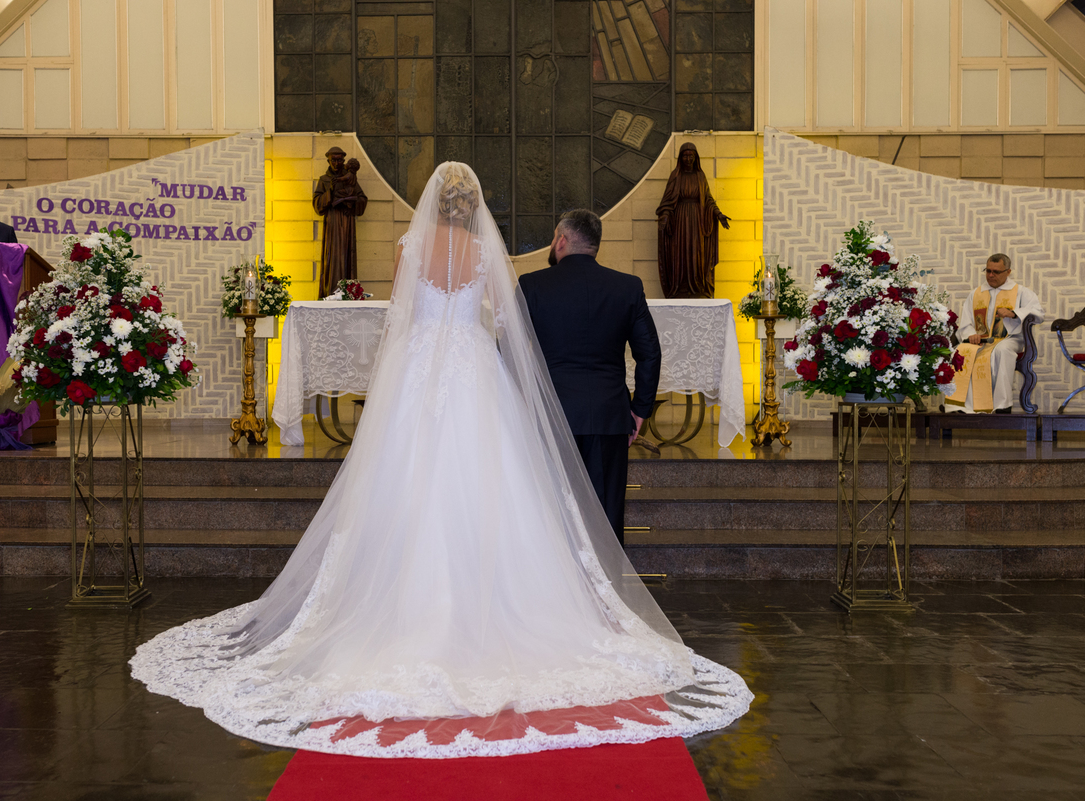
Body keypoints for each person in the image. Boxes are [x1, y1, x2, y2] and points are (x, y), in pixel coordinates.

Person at [130, 163, 750, 758]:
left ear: (433, 200)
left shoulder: (408, 248)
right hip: (473, 367)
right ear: (474, 204)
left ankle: (387, 603)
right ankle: (517, 606)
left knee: (403, 479)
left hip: (419, 366)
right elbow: (508, 326)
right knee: (491, 484)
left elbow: (399, 321)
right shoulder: (486, 257)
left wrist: (404, 372)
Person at [519, 209, 661, 544]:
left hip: (551, 415)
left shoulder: (532, 285)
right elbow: (650, 354)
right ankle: (605, 586)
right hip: (608, 416)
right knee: (606, 513)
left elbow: (510, 348)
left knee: (551, 510)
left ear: (562, 240)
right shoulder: (627, 287)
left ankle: (559, 589)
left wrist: (520, 406)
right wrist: (640, 410)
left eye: (555, 237)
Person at [946, 253, 1044, 413]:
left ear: (1008, 272)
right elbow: (966, 321)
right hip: (981, 340)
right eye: (988, 271)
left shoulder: (1021, 292)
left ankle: (1002, 405)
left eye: (996, 272)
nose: (991, 275)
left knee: (1002, 350)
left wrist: (1014, 313)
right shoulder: (976, 294)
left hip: (1010, 338)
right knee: (961, 351)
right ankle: (960, 405)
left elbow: (1038, 313)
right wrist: (971, 333)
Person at [655, 142, 729, 298]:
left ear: (696, 158)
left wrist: (718, 214)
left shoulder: (700, 176)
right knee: (679, 253)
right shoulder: (676, 176)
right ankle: (679, 287)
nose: (688, 159)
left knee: (697, 253)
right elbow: (667, 201)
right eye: (685, 155)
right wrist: (665, 215)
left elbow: (708, 199)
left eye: (691, 155)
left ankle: (697, 288)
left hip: (697, 221)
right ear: (681, 158)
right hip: (680, 221)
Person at [313, 147, 367, 298]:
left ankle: (348, 292)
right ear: (328, 161)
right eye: (333, 160)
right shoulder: (324, 180)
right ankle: (330, 292)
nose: (337, 163)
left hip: (347, 221)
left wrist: (354, 203)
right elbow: (317, 204)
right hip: (332, 223)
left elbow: (362, 198)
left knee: (347, 255)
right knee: (332, 256)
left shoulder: (350, 178)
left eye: (339, 160)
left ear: (344, 161)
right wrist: (329, 192)